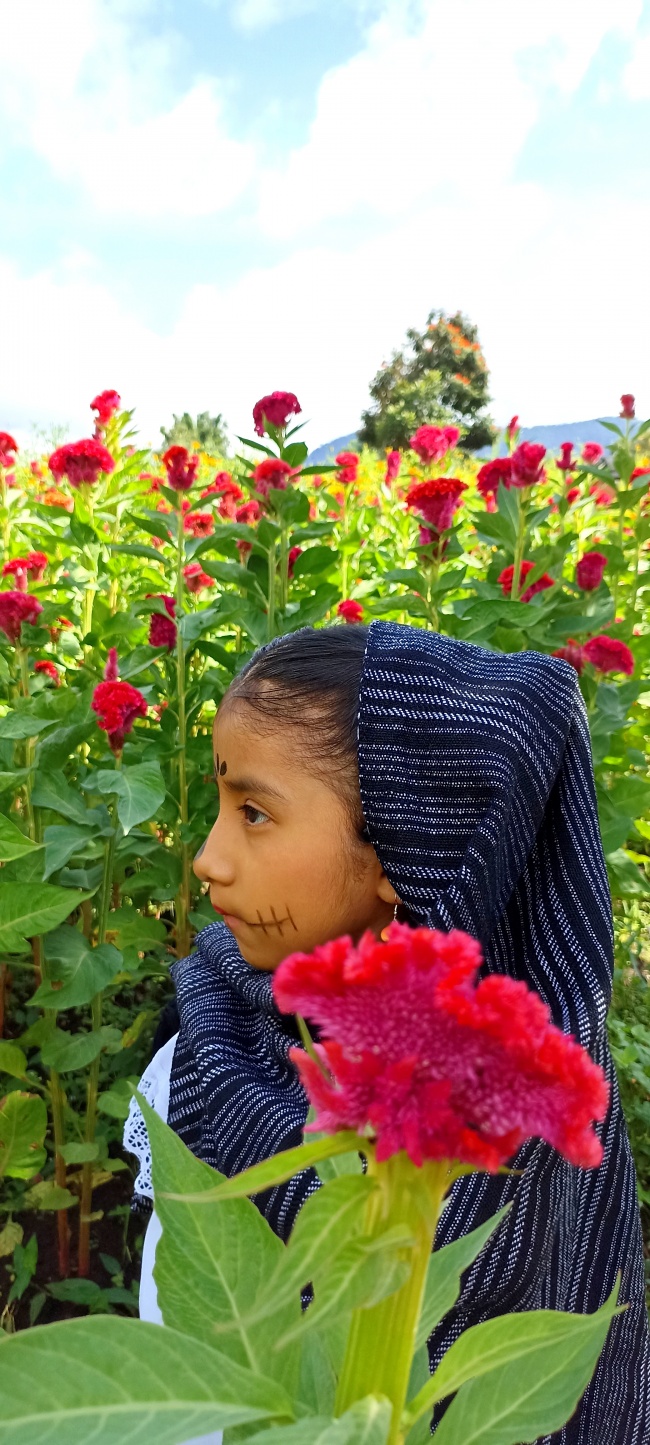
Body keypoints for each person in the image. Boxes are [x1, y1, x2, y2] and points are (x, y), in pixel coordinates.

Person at [124, 620, 650, 1444]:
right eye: (221, 801)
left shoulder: (505, 1100)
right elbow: (175, 1334)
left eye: (254, 812)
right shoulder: (211, 1040)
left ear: (400, 851)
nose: (207, 857)